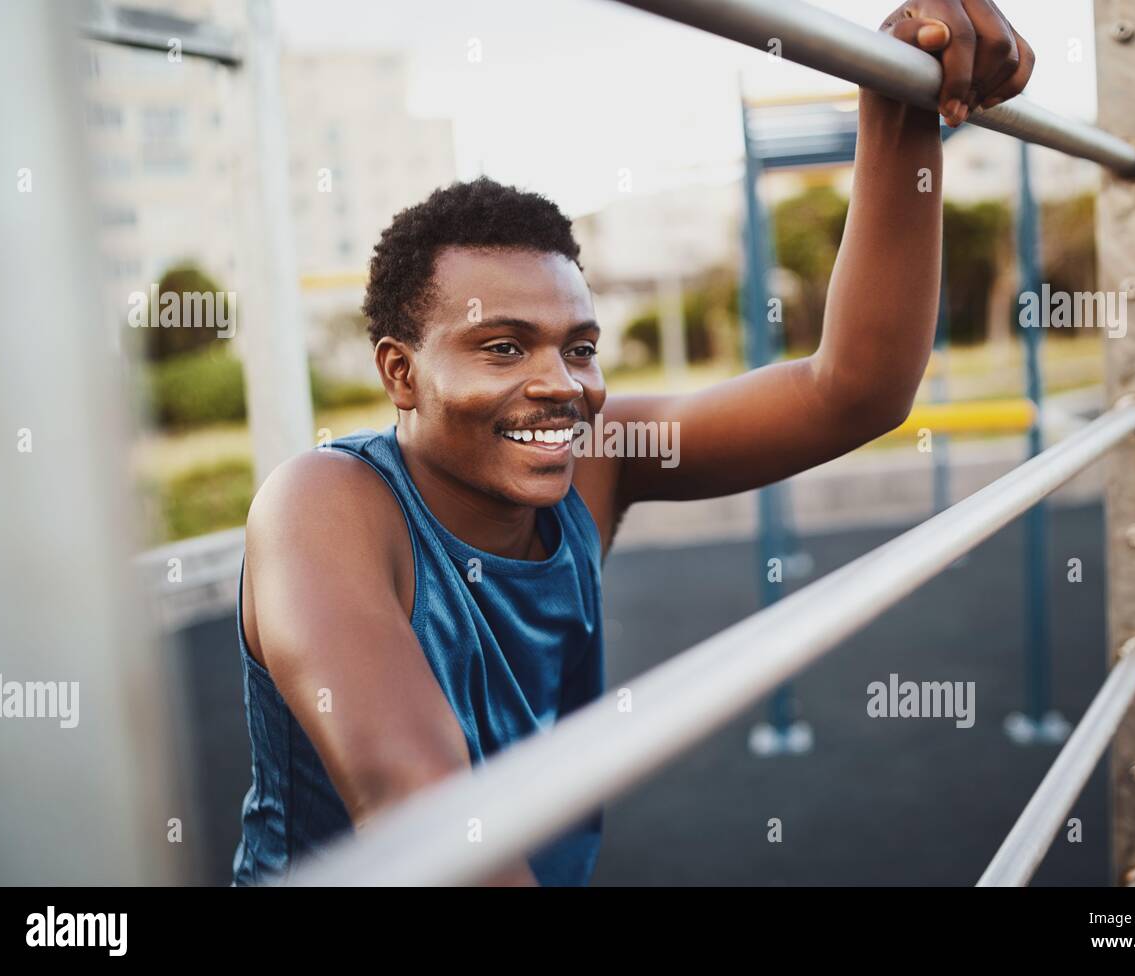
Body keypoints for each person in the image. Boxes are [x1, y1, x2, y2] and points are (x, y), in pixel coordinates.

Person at [231, 0, 1034, 886]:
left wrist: (899, 105)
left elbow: (855, 392)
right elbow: (422, 812)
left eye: (579, 347)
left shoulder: (600, 457)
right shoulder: (327, 505)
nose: (561, 384)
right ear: (399, 373)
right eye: (502, 346)